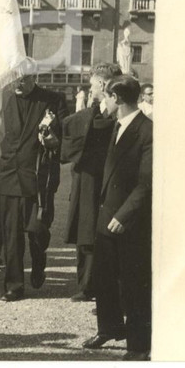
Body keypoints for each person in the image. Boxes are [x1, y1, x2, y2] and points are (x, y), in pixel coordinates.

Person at [82, 75, 152, 361]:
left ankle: (138, 344)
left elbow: (146, 183)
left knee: (134, 283)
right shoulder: (115, 127)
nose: (102, 101)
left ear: (118, 99)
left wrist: (125, 215)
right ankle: (109, 327)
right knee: (104, 277)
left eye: (106, 97)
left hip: (129, 220)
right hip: (107, 215)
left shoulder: (147, 131)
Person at [0, 69, 67, 302]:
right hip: (8, 174)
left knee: (37, 230)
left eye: (23, 78)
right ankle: (14, 285)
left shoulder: (52, 100)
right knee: (11, 233)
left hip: (37, 177)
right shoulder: (3, 100)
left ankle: (39, 260)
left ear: (33, 77)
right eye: (14, 79)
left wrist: (52, 140)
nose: (18, 83)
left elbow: (63, 138)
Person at [61, 63, 123, 302]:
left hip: (99, 178)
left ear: (101, 84)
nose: (90, 88)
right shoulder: (94, 110)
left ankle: (95, 284)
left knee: (96, 229)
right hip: (87, 178)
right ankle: (87, 284)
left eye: (92, 83)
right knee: (85, 228)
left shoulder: (111, 112)